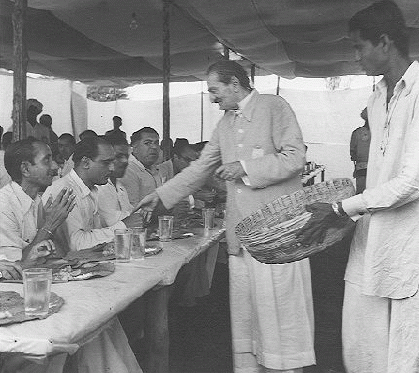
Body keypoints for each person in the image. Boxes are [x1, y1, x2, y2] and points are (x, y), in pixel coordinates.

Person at [138, 60, 315, 373]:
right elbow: (200, 168)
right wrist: (162, 195)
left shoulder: (274, 107)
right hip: (241, 242)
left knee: (281, 326)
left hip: (278, 239)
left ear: (235, 83)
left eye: (214, 90)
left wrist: (245, 168)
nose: (212, 98)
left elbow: (295, 157)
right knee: (248, 326)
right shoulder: (225, 124)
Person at [299, 2, 419, 372]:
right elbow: (381, 171)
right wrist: (351, 212)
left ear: (384, 43)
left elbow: (413, 180)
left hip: (408, 242)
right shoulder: (377, 97)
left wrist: (343, 208)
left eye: (358, 47)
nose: (355, 56)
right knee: (360, 343)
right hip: (371, 237)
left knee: (400, 352)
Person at [42, 136, 143, 252]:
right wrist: (123, 227)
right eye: (106, 163)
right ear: (86, 163)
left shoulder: (89, 189)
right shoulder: (65, 191)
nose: (112, 168)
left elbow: (92, 236)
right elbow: (76, 244)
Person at [0, 138, 75, 263]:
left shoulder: (37, 201)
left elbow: (61, 253)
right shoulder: (4, 205)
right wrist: (50, 224)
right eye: (47, 160)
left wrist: (55, 224)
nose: (55, 166)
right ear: (25, 169)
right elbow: (15, 268)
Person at [120, 127, 172, 208]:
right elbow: (133, 209)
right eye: (147, 143)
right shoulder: (128, 170)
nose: (154, 147)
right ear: (135, 148)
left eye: (156, 143)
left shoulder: (155, 168)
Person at [97, 134, 133, 226]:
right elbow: (113, 221)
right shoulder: (98, 187)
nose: (125, 161)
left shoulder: (120, 186)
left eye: (127, 156)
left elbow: (131, 214)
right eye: (119, 156)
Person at [350, 107, 370, 193]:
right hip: (378, 171)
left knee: (361, 195)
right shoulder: (382, 133)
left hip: (361, 170)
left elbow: (353, 154)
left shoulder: (356, 133)